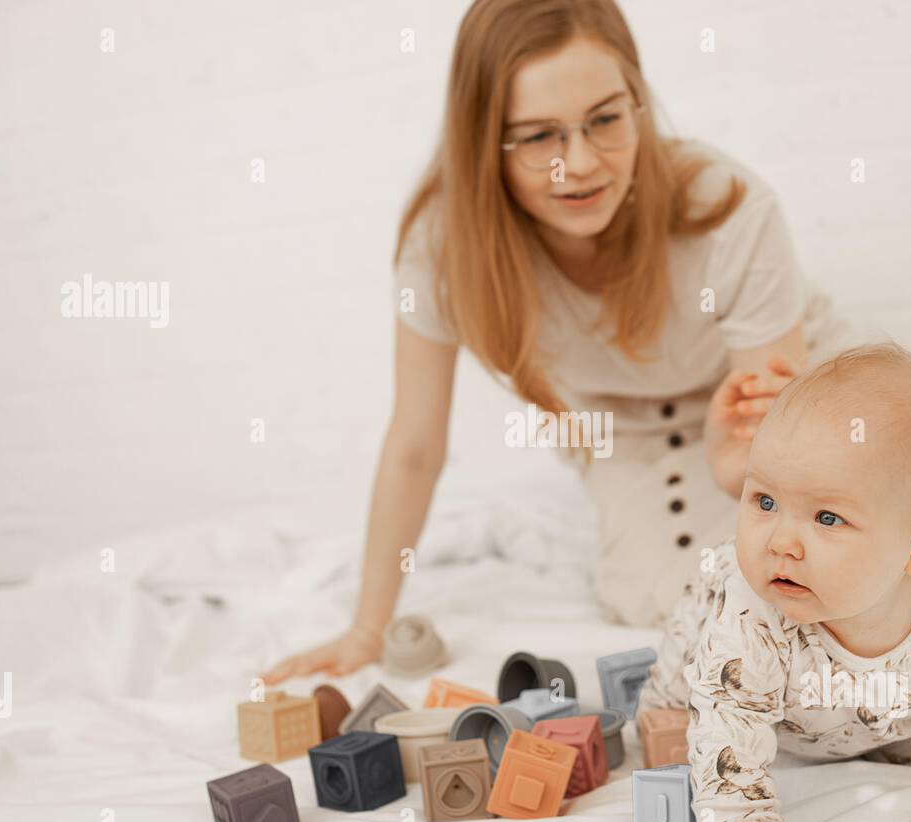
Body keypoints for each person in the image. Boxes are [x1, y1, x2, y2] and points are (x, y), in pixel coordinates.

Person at [263, 0, 858, 685]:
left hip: (760, 409)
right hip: (618, 425)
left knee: (819, 561)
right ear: (483, 141)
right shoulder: (441, 248)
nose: (578, 164)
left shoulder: (730, 208)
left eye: (606, 119)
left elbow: (772, 441)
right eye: (539, 137)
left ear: (638, 103)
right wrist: (367, 628)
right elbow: (416, 444)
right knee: (652, 594)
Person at [636, 343, 911, 822]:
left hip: (879, 712)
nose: (780, 542)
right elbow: (728, 734)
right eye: (764, 501)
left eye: (827, 518)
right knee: (682, 685)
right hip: (736, 672)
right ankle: (661, 701)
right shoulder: (750, 613)